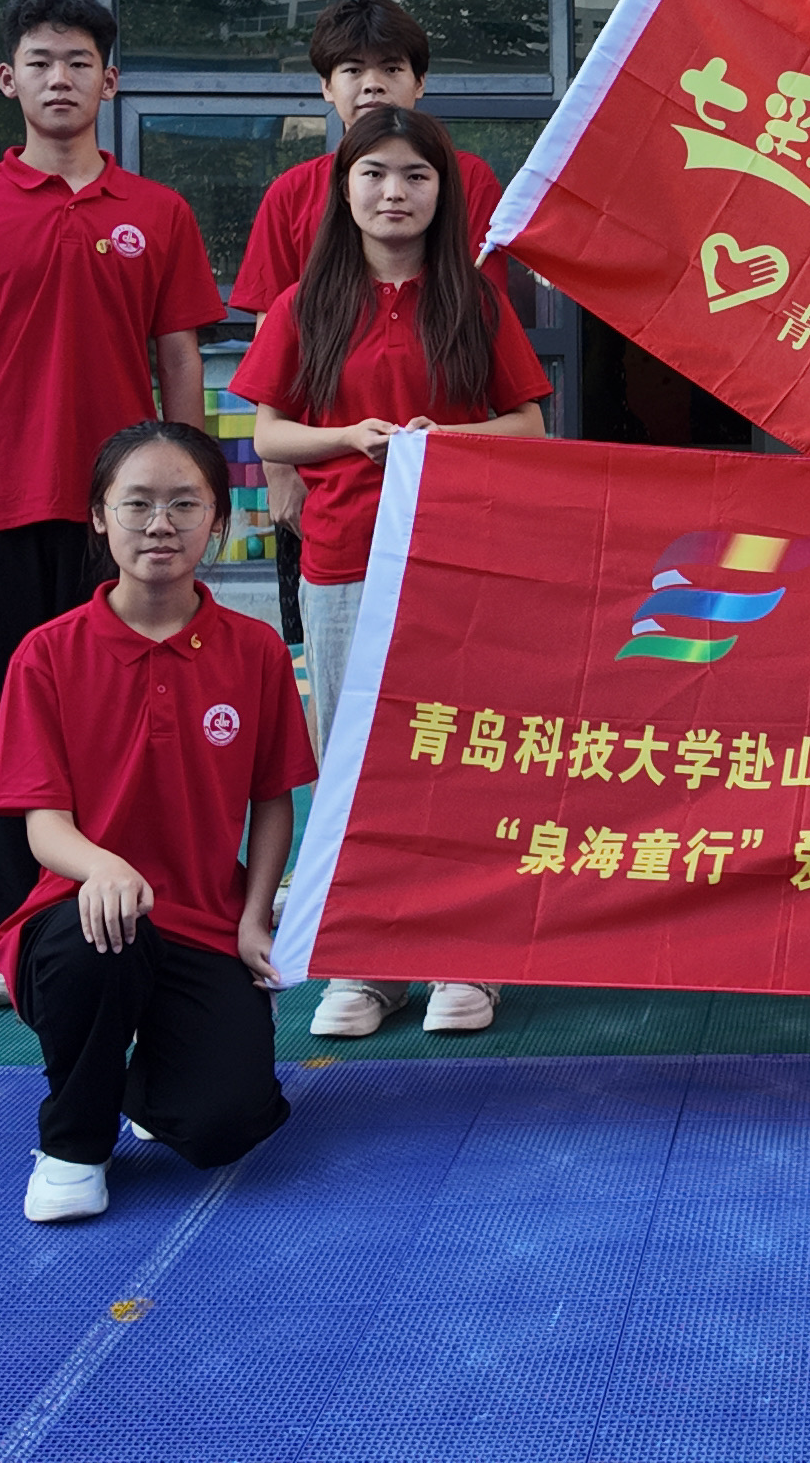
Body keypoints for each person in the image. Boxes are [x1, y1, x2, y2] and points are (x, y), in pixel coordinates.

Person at [0, 0, 225, 1015]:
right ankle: (3, 931)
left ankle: (131, 907)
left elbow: (180, 361)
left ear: (109, 82)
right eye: (40, 62)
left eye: (79, 62)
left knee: (123, 723)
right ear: (9, 80)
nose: (60, 79)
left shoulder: (157, 213)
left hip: (121, 523)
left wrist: (187, 502)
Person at [231, 105, 552, 1039]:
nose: (394, 192)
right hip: (342, 561)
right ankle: (367, 964)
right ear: (344, 190)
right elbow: (268, 433)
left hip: (462, 562)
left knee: (459, 752)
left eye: (416, 175)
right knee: (353, 762)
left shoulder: (475, 300)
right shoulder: (305, 305)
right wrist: (349, 438)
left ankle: (467, 955)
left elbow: (529, 426)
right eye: (373, 174)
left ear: (443, 192)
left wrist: (445, 440)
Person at [0, 422, 312, 1224]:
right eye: (136, 504)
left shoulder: (256, 651)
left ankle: (147, 1080)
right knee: (104, 936)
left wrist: (252, 918)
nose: (159, 524)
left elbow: (273, 799)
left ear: (218, 520)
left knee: (224, 1124)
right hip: (81, 922)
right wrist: (102, 866)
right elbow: (43, 824)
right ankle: (73, 1145)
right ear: (100, 518)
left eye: (183, 504)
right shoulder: (47, 654)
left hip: (203, 925)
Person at [227, 0, 504, 317]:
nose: (373, 84)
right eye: (353, 69)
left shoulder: (469, 178)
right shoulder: (290, 192)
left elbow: (486, 306)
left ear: (419, 82)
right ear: (327, 86)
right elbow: (271, 320)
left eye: (391, 68)